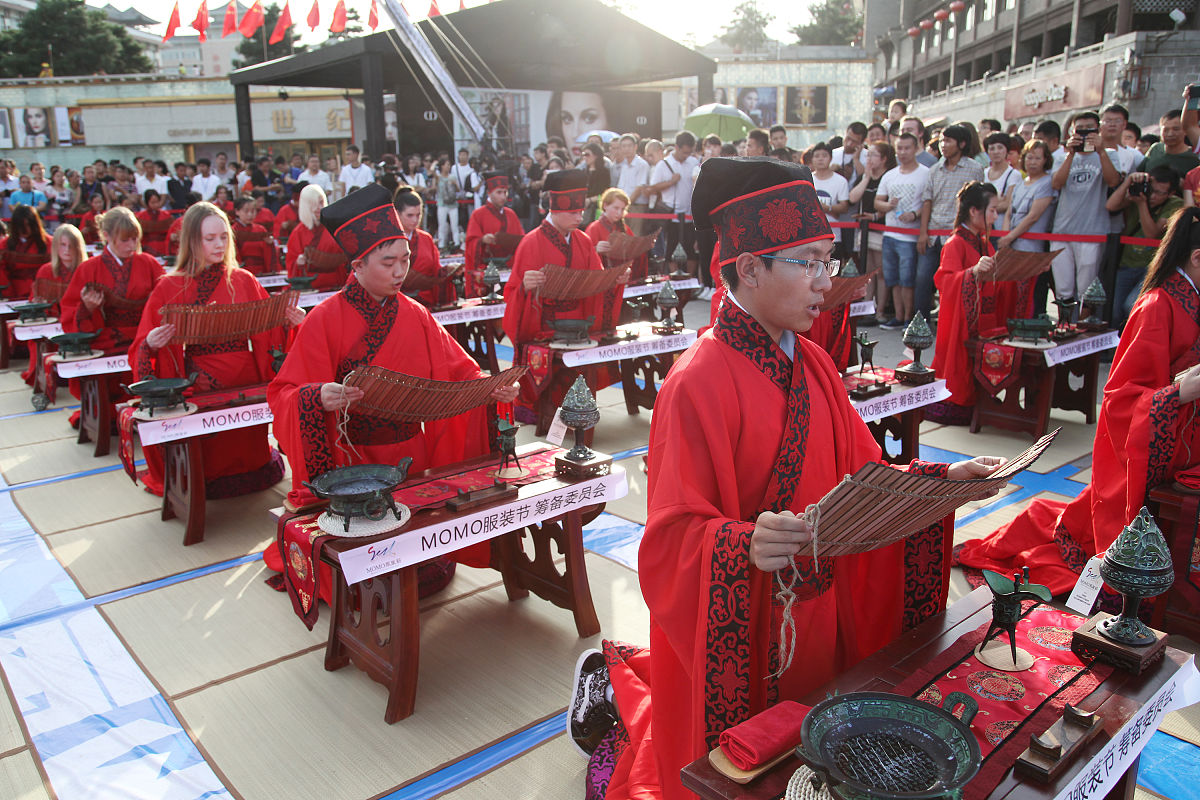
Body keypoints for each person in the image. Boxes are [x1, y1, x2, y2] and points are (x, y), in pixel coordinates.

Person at [574, 157, 1005, 797]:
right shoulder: (697, 383)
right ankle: (612, 689)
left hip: (815, 606)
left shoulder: (814, 363)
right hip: (747, 621)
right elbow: (668, 539)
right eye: (807, 263)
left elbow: (867, 476)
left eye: (827, 262)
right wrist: (737, 542)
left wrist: (942, 480)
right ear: (749, 267)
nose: (823, 283)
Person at [265, 184, 518, 598]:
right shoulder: (324, 319)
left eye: (405, 260)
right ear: (358, 264)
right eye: (388, 263)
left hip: (409, 458)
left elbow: (459, 372)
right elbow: (286, 391)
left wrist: (492, 392)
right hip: (351, 461)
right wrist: (317, 396)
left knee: (416, 548)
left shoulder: (416, 314)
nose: (400, 271)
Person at [958, 207, 1200, 595]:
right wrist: (1177, 394)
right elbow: (1123, 397)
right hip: (1157, 435)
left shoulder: (1190, 300)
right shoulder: (1159, 306)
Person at [129, 203, 297, 497]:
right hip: (199, 378)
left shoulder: (243, 279)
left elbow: (268, 333)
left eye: (223, 237)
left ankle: (251, 464)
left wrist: (289, 323)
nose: (219, 244)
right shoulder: (169, 286)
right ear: (193, 240)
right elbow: (143, 343)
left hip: (245, 373)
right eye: (210, 238)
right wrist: (152, 343)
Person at [502, 169, 626, 423]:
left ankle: (580, 410)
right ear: (555, 210)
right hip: (544, 329)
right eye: (573, 212)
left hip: (580, 325)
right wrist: (525, 287)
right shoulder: (531, 242)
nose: (579, 217)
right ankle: (542, 410)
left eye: (581, 212)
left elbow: (597, 283)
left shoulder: (582, 240)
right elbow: (512, 294)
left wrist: (614, 282)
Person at [928, 181, 1037, 425]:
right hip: (961, 322)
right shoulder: (955, 243)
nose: (995, 216)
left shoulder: (983, 242)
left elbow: (998, 278)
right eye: (992, 210)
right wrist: (971, 273)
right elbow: (945, 282)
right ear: (974, 211)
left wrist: (1027, 270)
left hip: (984, 319)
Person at [61, 207, 164, 357]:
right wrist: (87, 308)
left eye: (135, 238)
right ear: (106, 236)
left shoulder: (149, 263)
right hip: (105, 341)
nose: (131, 245)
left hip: (145, 336)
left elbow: (168, 298)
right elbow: (68, 310)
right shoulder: (88, 269)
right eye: (124, 240)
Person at [1050, 113, 1121, 302]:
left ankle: (1084, 329)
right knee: (1063, 290)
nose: (1084, 134)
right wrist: (1071, 153)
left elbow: (1113, 181)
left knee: (1087, 291)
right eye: (1079, 129)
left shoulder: (1110, 154)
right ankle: (1064, 327)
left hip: (1092, 231)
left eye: (1089, 129)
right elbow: (1056, 183)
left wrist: (1101, 152)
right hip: (1062, 231)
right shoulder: (1062, 158)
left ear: (1098, 130)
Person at [917, 124, 985, 320]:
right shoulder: (934, 169)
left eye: (948, 141)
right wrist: (923, 233)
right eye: (941, 141)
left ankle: (953, 320)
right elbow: (927, 201)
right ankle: (919, 323)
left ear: (962, 143)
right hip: (933, 233)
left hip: (959, 235)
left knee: (955, 281)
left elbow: (976, 204)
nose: (943, 145)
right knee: (923, 280)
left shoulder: (975, 169)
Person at [1106, 166, 1184, 327]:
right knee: (1113, 311)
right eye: (1152, 190)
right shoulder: (1140, 194)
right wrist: (1128, 181)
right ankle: (1113, 350)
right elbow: (1110, 206)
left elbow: (1151, 232)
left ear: (1170, 193)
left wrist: (1142, 204)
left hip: (1151, 267)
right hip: (1127, 264)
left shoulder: (1174, 204)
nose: (1153, 196)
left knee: (1132, 306)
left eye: (1160, 193)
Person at [875, 133, 930, 329]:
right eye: (900, 148)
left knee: (908, 280)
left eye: (907, 148)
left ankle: (909, 318)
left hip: (911, 236)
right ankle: (898, 317)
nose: (903, 152)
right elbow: (877, 202)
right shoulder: (890, 175)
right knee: (893, 279)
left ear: (916, 148)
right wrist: (888, 205)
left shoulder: (926, 173)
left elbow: (928, 203)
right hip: (889, 234)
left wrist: (914, 215)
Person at [847, 140, 896, 325]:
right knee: (867, 271)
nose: (869, 159)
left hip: (883, 229)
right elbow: (853, 198)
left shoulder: (889, 177)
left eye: (873, 155)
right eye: (867, 155)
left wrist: (875, 216)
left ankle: (880, 311)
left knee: (880, 271)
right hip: (864, 229)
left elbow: (890, 204)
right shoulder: (864, 176)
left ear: (884, 158)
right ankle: (867, 308)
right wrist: (866, 177)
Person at [464, 172, 523, 296]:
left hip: (509, 266)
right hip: (487, 267)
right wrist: (482, 240)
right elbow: (470, 242)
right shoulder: (478, 214)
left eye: (505, 192)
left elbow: (522, 242)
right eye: (499, 192)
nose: (503, 196)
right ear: (489, 193)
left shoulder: (511, 214)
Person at [393, 185, 452, 308]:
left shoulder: (426, 238)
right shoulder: (387, 240)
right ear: (397, 213)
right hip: (397, 302)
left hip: (426, 302)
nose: (415, 220)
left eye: (418, 215)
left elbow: (436, 270)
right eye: (410, 215)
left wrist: (449, 271)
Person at [998, 140, 1057, 254]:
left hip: (1031, 245)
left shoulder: (1047, 183)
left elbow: (1033, 216)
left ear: (1045, 160)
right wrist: (1005, 237)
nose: (1032, 162)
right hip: (1010, 244)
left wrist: (1010, 237)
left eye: (1037, 158)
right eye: (1029, 158)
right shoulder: (1020, 183)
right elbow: (1009, 213)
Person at [285, 184, 347, 291]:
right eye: (314, 204)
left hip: (335, 285)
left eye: (321, 202)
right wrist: (298, 262)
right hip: (310, 287)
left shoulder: (335, 228)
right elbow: (291, 264)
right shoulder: (298, 233)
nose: (319, 207)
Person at [586, 187, 650, 284]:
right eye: (616, 208)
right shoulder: (594, 228)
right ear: (605, 205)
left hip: (621, 280)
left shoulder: (624, 228)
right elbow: (583, 256)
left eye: (622, 209)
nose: (619, 213)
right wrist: (595, 249)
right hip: (601, 282)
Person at [1, 204, 52, 299]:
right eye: (21, 226)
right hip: (13, 293)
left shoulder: (50, 243)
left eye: (28, 225)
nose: (25, 230)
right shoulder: (4, 245)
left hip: (43, 293)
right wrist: (8, 294)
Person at [1138, 109, 1200, 183]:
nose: (1170, 134)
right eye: (1165, 130)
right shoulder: (1155, 148)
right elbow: (1139, 172)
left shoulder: (1194, 157)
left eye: (1176, 129)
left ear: (1185, 130)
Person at [230, 197, 276, 274]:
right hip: (243, 271)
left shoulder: (261, 229)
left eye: (253, 211)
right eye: (246, 211)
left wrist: (270, 244)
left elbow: (268, 254)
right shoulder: (232, 231)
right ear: (237, 211)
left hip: (262, 271)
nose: (250, 214)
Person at [983, 133, 1020, 214]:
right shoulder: (983, 173)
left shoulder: (1013, 174)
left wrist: (984, 209)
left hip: (1003, 224)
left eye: (1000, 148)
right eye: (992, 149)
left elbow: (1008, 204)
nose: (996, 152)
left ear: (1007, 150)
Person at [433, 158, 464, 252]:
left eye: (449, 165)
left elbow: (458, 190)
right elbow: (432, 172)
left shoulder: (453, 177)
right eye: (446, 164)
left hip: (453, 204)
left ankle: (456, 244)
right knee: (441, 225)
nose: (448, 166)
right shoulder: (438, 177)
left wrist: (455, 184)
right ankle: (442, 245)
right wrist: (435, 163)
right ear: (442, 166)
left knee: (454, 225)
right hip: (442, 204)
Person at [135, 190, 172, 257]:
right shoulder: (141, 217)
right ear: (147, 203)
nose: (156, 205)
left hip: (163, 246)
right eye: (152, 202)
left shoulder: (167, 215)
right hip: (147, 246)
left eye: (157, 202)